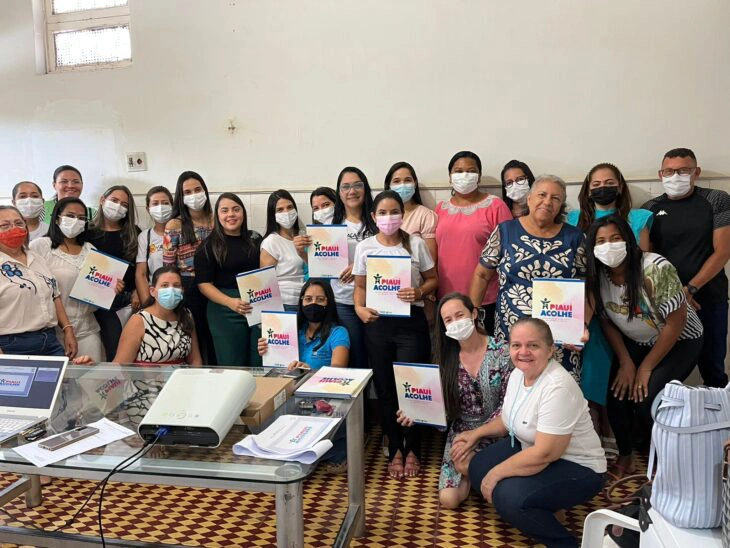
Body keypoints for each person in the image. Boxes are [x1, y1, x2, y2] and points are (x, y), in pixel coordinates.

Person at [467, 318, 606, 548]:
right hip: (531, 446)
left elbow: (544, 454)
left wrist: (496, 475)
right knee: (478, 466)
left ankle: (565, 543)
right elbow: (509, 420)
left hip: (578, 466)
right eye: (516, 345)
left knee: (507, 496)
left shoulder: (557, 385)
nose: (523, 352)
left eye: (533, 345)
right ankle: (547, 506)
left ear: (550, 349)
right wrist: (476, 434)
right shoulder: (517, 375)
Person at [585, 215, 703, 475]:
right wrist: (626, 362)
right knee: (616, 395)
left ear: (629, 240)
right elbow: (607, 321)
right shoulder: (599, 275)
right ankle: (626, 455)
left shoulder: (655, 268)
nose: (608, 246)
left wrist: (646, 368)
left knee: (648, 397)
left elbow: (676, 322)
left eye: (615, 239)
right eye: (601, 241)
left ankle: (661, 461)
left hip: (681, 339)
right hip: (637, 341)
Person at [396, 292, 511, 508]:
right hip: (461, 433)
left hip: (500, 430)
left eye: (460, 315)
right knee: (448, 499)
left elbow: (511, 406)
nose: (455, 323)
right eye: (448, 320)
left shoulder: (502, 352)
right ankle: (475, 473)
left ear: (474, 313)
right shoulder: (444, 359)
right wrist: (417, 412)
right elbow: (441, 409)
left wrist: (477, 435)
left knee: (483, 477)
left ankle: (479, 471)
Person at [353, 190, 438, 478]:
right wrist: (359, 309)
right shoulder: (364, 246)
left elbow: (433, 279)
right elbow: (361, 286)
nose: (389, 218)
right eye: (383, 213)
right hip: (377, 323)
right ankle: (395, 448)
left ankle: (412, 447)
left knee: (411, 387)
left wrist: (420, 292)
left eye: (394, 212)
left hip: (410, 323)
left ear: (402, 215)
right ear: (374, 217)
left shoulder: (415, 244)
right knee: (386, 387)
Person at [470, 174, 586, 379]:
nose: (547, 201)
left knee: (557, 394)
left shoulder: (575, 237)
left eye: (556, 198)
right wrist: (473, 318)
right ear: (530, 198)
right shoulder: (506, 231)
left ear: (561, 206)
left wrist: (581, 325)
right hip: (512, 335)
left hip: (559, 338)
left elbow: (587, 285)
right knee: (514, 391)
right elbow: (481, 274)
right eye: (542, 194)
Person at [642, 147, 730, 388]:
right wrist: (674, 296)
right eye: (669, 171)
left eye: (683, 170)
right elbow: (646, 257)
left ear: (696, 172)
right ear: (660, 175)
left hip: (709, 299)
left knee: (713, 368)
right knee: (667, 371)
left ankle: (721, 422)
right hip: (666, 306)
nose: (675, 176)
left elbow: (723, 251)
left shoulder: (717, 199)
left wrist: (689, 290)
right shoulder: (649, 207)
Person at [435, 151, 512, 334]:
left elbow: (508, 252)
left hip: (485, 300)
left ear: (478, 176)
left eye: (470, 171)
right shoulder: (440, 208)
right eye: (458, 171)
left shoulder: (495, 206)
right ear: (450, 176)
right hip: (447, 300)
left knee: (484, 354)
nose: (464, 175)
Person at [29, 198, 112, 362]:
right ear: (58, 217)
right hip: (53, 332)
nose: (76, 221)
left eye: (81, 218)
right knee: (59, 383)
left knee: (92, 382)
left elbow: (97, 294)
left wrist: (110, 287)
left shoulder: (90, 249)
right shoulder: (40, 246)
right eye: (70, 215)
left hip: (87, 329)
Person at [76, 266, 202, 366]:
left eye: (176, 285)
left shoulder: (186, 315)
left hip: (178, 386)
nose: (171, 290)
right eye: (164, 285)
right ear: (152, 291)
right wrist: (93, 368)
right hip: (146, 390)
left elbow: (195, 360)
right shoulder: (139, 320)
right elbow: (120, 364)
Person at [195, 193, 263, 367]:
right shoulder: (208, 246)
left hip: (257, 305)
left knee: (260, 359)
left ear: (243, 213)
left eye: (236, 209)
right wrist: (229, 302)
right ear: (217, 216)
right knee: (233, 364)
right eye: (224, 211)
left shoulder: (255, 239)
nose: (231, 215)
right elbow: (204, 285)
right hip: (225, 310)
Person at [0, 205, 77, 357]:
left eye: (18, 223)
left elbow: (55, 296)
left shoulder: (37, 258)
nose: (13, 229)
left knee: (61, 381)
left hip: (50, 341)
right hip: (11, 346)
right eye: (5, 225)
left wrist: (68, 330)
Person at [163, 170, 215, 364]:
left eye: (198, 189)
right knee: (197, 337)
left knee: (214, 336)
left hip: (214, 284)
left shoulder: (215, 219)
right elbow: (168, 265)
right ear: (181, 197)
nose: (194, 195)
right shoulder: (175, 225)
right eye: (188, 192)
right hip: (189, 287)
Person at [330, 167, 377, 369]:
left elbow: (391, 258)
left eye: (357, 185)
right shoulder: (330, 225)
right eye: (346, 187)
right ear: (339, 193)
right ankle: (360, 401)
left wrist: (357, 267)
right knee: (355, 359)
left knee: (377, 357)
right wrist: (301, 252)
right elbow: (320, 263)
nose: (352, 191)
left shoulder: (378, 221)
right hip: (343, 301)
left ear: (365, 189)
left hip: (375, 300)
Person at [86, 185, 140, 360]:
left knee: (130, 351)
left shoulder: (133, 233)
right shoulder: (87, 233)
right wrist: (105, 284)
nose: (118, 207)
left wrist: (138, 291)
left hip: (128, 302)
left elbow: (139, 269)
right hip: (96, 304)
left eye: (124, 204)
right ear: (102, 200)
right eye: (114, 201)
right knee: (110, 353)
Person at [258, 279, 349, 370]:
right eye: (308, 299)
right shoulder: (292, 329)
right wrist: (268, 351)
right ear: (301, 302)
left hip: (319, 383)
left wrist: (309, 372)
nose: (313, 303)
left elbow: (338, 370)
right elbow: (277, 368)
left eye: (320, 299)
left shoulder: (338, 332)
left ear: (329, 303)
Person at [568, 163, 653, 250]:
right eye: (596, 184)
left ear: (620, 187)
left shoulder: (638, 218)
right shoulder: (573, 218)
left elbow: (644, 258)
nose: (603, 187)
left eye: (609, 183)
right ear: (588, 191)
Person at [260, 189, 308, 312]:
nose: (286, 212)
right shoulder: (271, 242)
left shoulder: (303, 237)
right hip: (285, 304)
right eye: (280, 210)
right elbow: (265, 283)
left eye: (290, 207)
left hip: (306, 301)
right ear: (273, 215)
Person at [383, 161, 438, 262]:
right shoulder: (381, 215)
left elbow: (431, 260)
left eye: (407, 180)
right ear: (388, 185)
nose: (402, 185)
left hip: (415, 274)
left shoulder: (425, 215)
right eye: (396, 181)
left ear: (415, 183)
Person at [135, 186, 174, 304]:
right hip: (155, 296)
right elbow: (141, 274)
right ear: (148, 209)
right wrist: (148, 305)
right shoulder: (144, 236)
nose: (160, 207)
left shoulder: (182, 232)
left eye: (165, 203)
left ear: (172, 206)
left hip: (180, 292)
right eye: (155, 203)